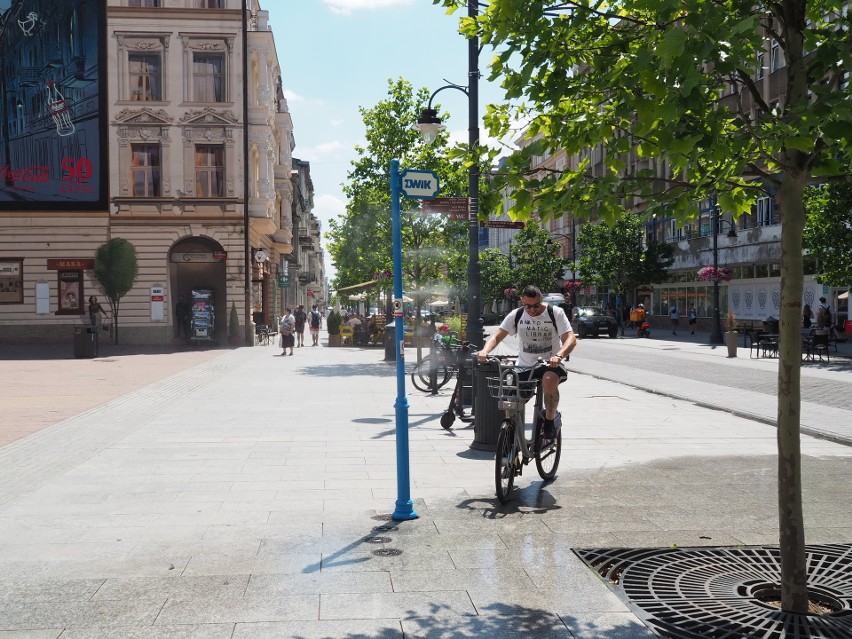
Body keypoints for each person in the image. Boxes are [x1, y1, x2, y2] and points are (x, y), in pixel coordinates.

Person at [477, 285, 577, 441]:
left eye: (535, 306)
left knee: (549, 380)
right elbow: (497, 336)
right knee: (510, 401)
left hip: (550, 364)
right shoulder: (516, 315)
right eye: (527, 306)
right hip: (524, 366)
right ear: (522, 302)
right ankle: (510, 439)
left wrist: (559, 355)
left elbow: (570, 339)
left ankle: (550, 420)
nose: (531, 310)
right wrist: (485, 351)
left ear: (541, 301)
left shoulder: (555, 313)